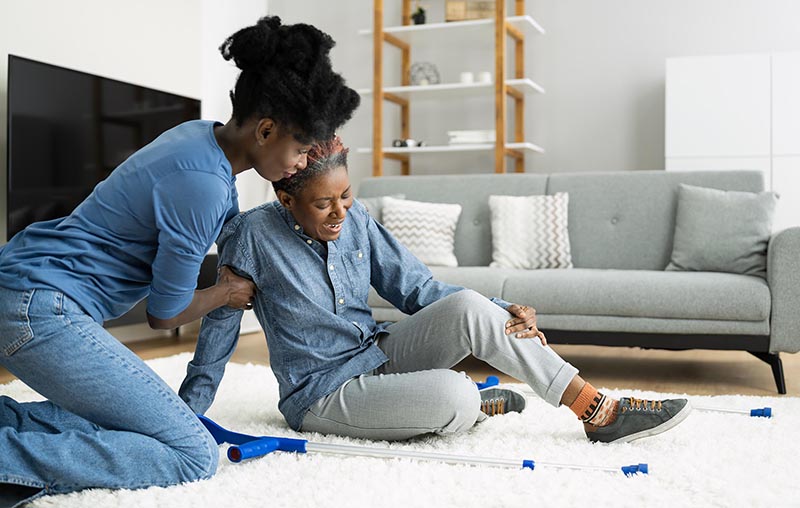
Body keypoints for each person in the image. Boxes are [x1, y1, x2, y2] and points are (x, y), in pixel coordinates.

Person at [0, 16, 360, 506]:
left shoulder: (200, 137)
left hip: (24, 289)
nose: (301, 164)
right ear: (266, 129)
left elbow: (226, 229)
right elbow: (164, 314)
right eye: (299, 150)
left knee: (123, 420)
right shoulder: (203, 185)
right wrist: (227, 293)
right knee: (191, 453)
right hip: (40, 310)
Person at [179, 137, 692, 445]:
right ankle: (472, 405)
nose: (340, 213)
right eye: (322, 204)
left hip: (377, 352)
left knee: (470, 304)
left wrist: (498, 311)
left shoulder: (355, 221)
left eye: (347, 196)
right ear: (287, 198)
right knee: (452, 393)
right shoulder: (251, 235)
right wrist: (187, 416)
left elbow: (419, 289)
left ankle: (596, 409)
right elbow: (219, 330)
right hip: (321, 392)